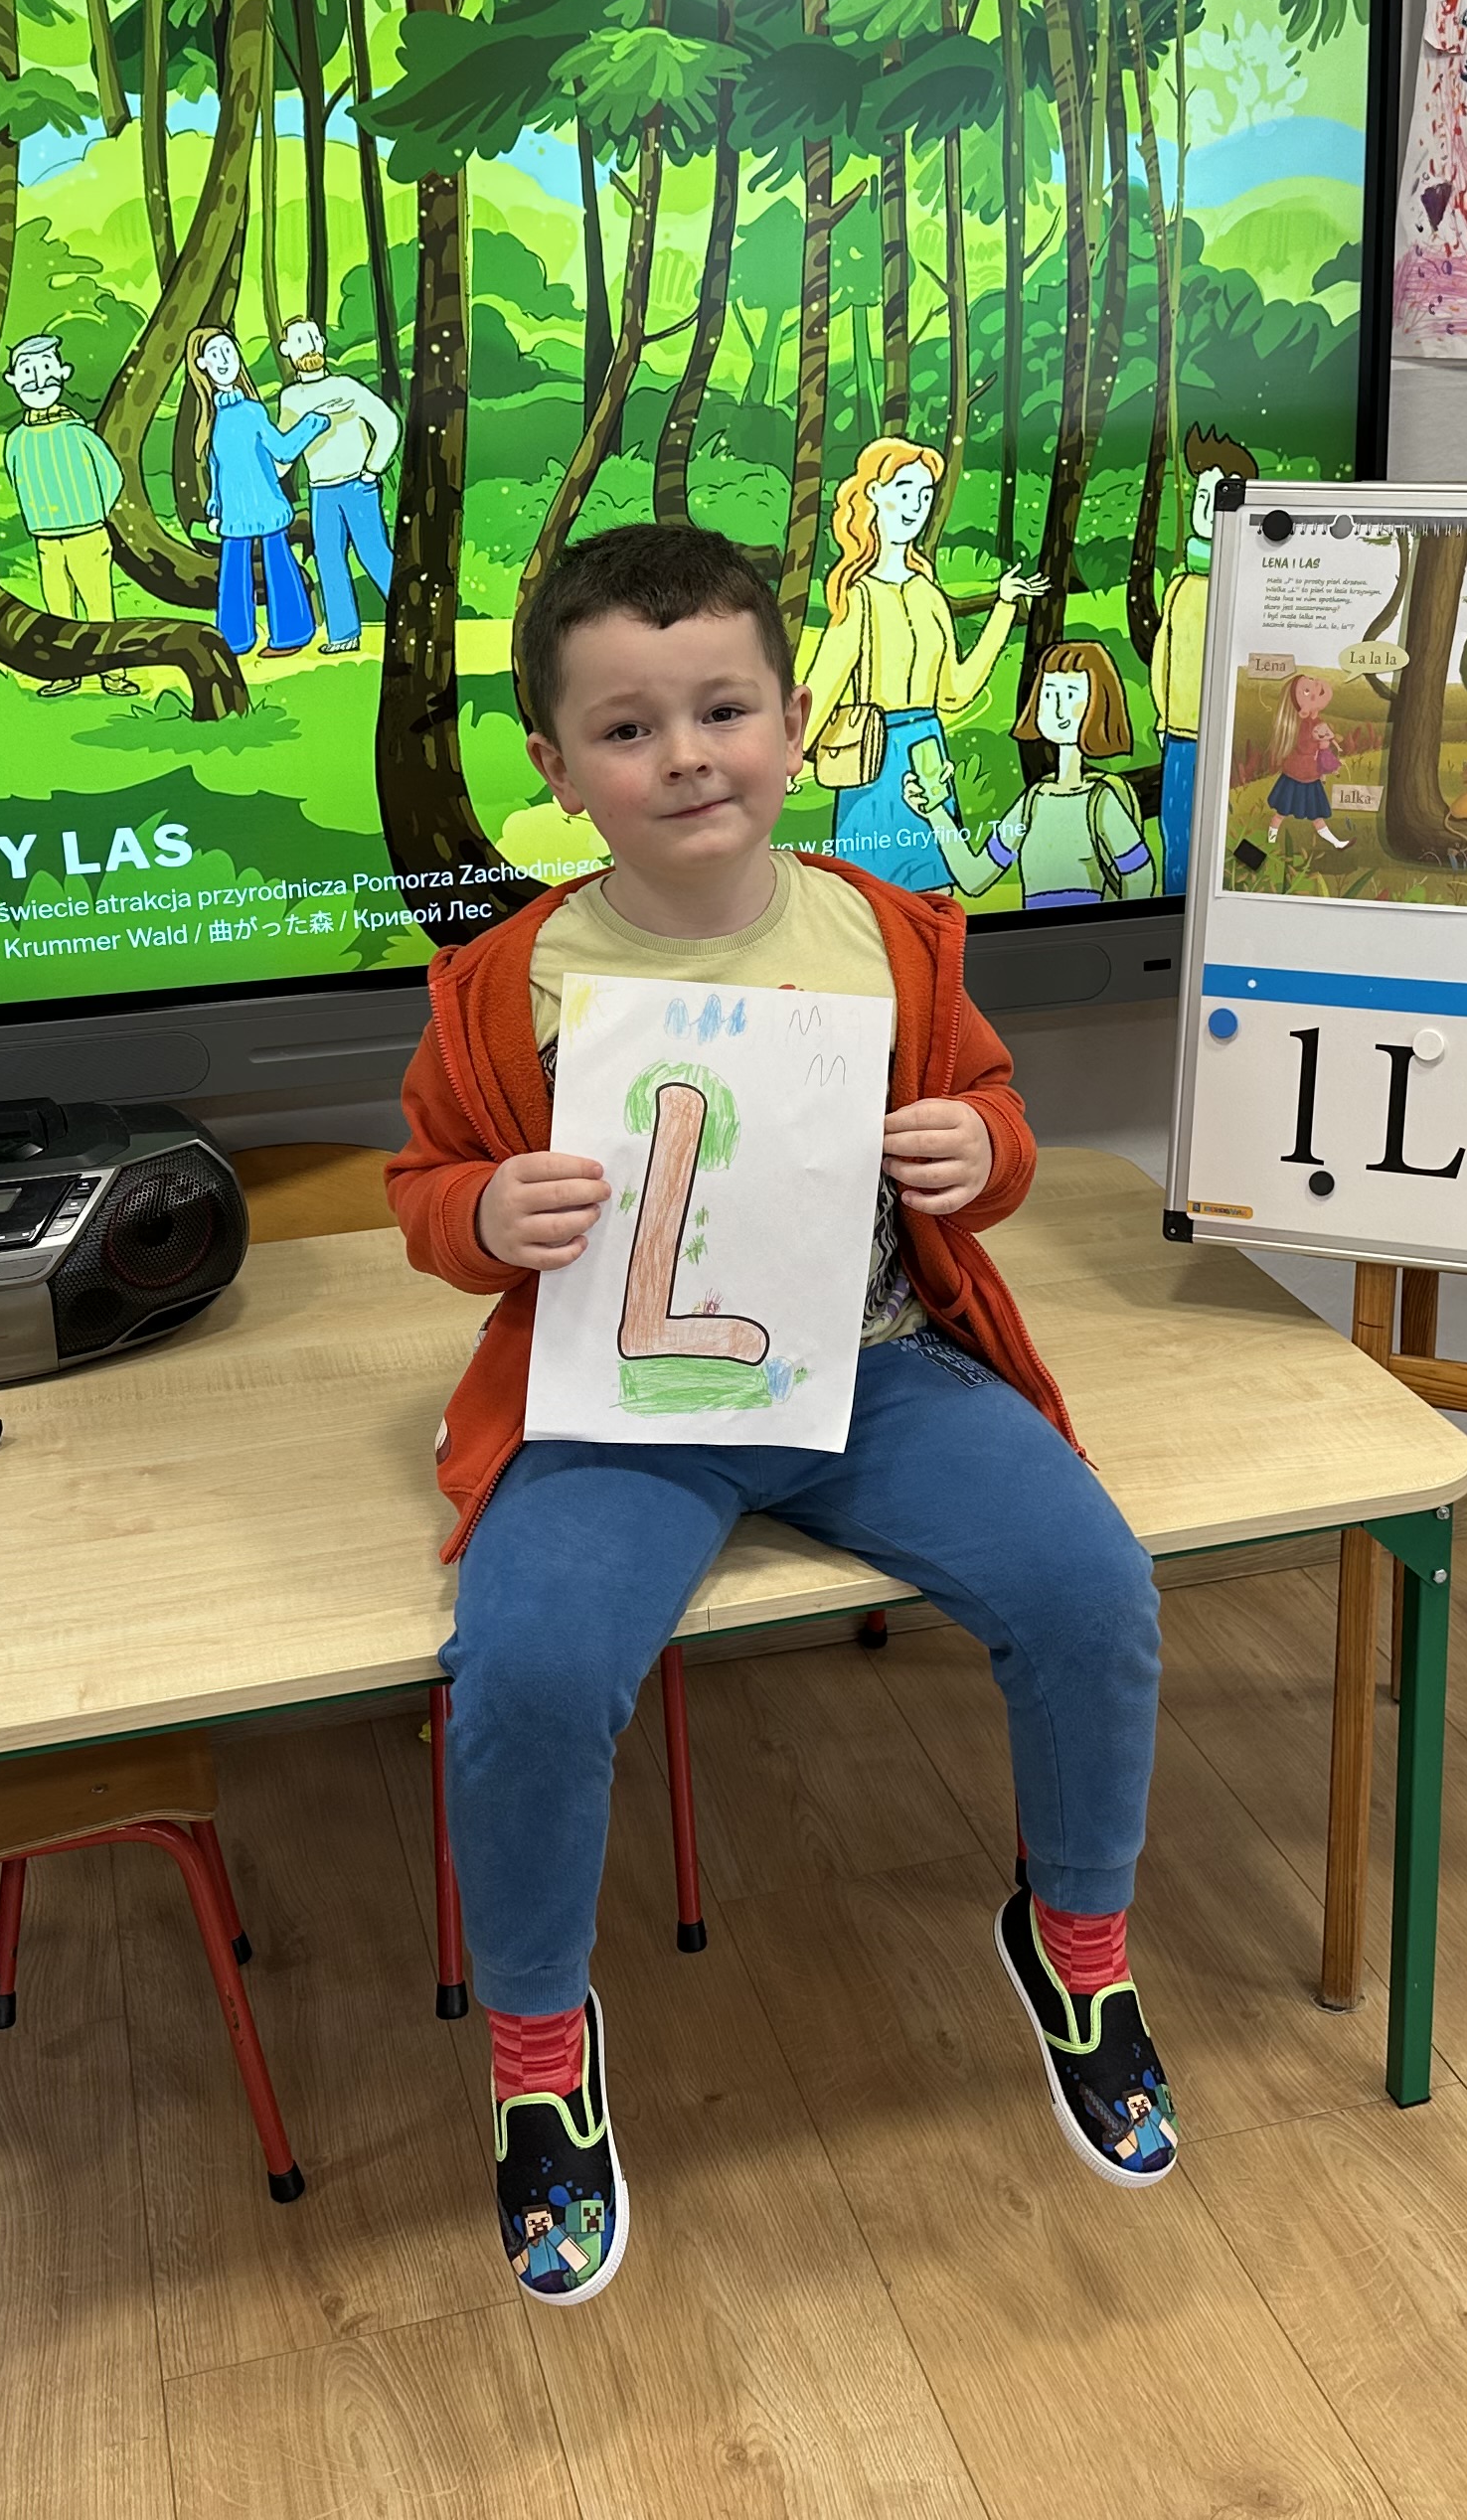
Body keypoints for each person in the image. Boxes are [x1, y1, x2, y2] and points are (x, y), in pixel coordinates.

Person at [387, 521, 1176, 2308]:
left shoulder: (885, 933)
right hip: (620, 1406)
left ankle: (1077, 1937)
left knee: (1090, 1589)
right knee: (524, 1674)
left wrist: (981, 1150)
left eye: (723, 709)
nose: (686, 756)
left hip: (876, 1366)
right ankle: (536, 2042)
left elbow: (991, 1119)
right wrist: (484, 1210)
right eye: (628, 728)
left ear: (796, 722)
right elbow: (425, 1189)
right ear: (556, 768)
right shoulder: (506, 981)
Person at [790, 437, 1043, 889]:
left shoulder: (928, 594)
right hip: (873, 757)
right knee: (870, 900)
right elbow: (823, 685)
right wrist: (790, 755)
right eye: (904, 491)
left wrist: (1004, 607)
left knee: (937, 893)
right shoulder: (858, 596)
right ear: (873, 493)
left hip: (928, 754)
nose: (915, 507)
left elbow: (956, 690)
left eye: (925, 495)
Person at [906, 639, 1154, 911]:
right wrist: (935, 811)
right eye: (1049, 693)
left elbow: (1140, 877)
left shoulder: (1100, 802)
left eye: (1071, 695)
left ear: (1099, 703)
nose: (1057, 708)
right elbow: (974, 878)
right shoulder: (1032, 802)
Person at [0, 332, 130, 696]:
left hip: (87, 534)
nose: (38, 380)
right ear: (13, 380)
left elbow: (111, 475)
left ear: (63, 372)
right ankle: (66, 670)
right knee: (58, 609)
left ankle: (112, 672)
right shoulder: (17, 439)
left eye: (45, 368)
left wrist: (92, 511)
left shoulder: (78, 432)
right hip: (46, 539)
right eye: (27, 371)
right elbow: (16, 477)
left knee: (98, 606)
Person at [1149, 433, 1248, 894]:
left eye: (1221, 498)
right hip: (1180, 737)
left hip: (1230, 739)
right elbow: (1163, 659)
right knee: (1177, 830)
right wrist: (1163, 718)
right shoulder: (1180, 587)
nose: (1208, 509)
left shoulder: (1246, 587)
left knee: (1235, 834)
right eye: (1203, 498)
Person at [188, 327, 322, 659]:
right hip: (234, 514)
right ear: (202, 364)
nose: (224, 360)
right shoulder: (212, 420)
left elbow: (283, 450)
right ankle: (233, 639)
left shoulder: (253, 412)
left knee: (279, 568)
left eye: (229, 351)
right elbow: (217, 468)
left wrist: (312, 424)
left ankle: (291, 634)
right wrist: (215, 507)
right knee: (233, 578)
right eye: (215, 354)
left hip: (265, 505)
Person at [272, 316, 400, 655]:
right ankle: (343, 634)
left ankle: (408, 618)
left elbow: (387, 424)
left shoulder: (346, 387)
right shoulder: (290, 398)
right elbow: (286, 451)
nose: (310, 347)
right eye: (301, 341)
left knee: (374, 554)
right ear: (286, 350)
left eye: (314, 338)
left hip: (358, 485)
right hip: (321, 491)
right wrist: (265, 475)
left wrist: (372, 470)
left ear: (323, 343)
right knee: (328, 560)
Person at [1261, 669, 1348, 875]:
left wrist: (1327, 748)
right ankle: (1269, 843)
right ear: (1302, 709)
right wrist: (1321, 741)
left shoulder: (1317, 723)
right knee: (1281, 813)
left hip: (1310, 776)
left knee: (1317, 817)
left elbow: (1322, 748)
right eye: (1307, 691)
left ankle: (1336, 843)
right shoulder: (1303, 726)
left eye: (1312, 683)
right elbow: (1306, 745)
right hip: (1296, 776)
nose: (1316, 686)